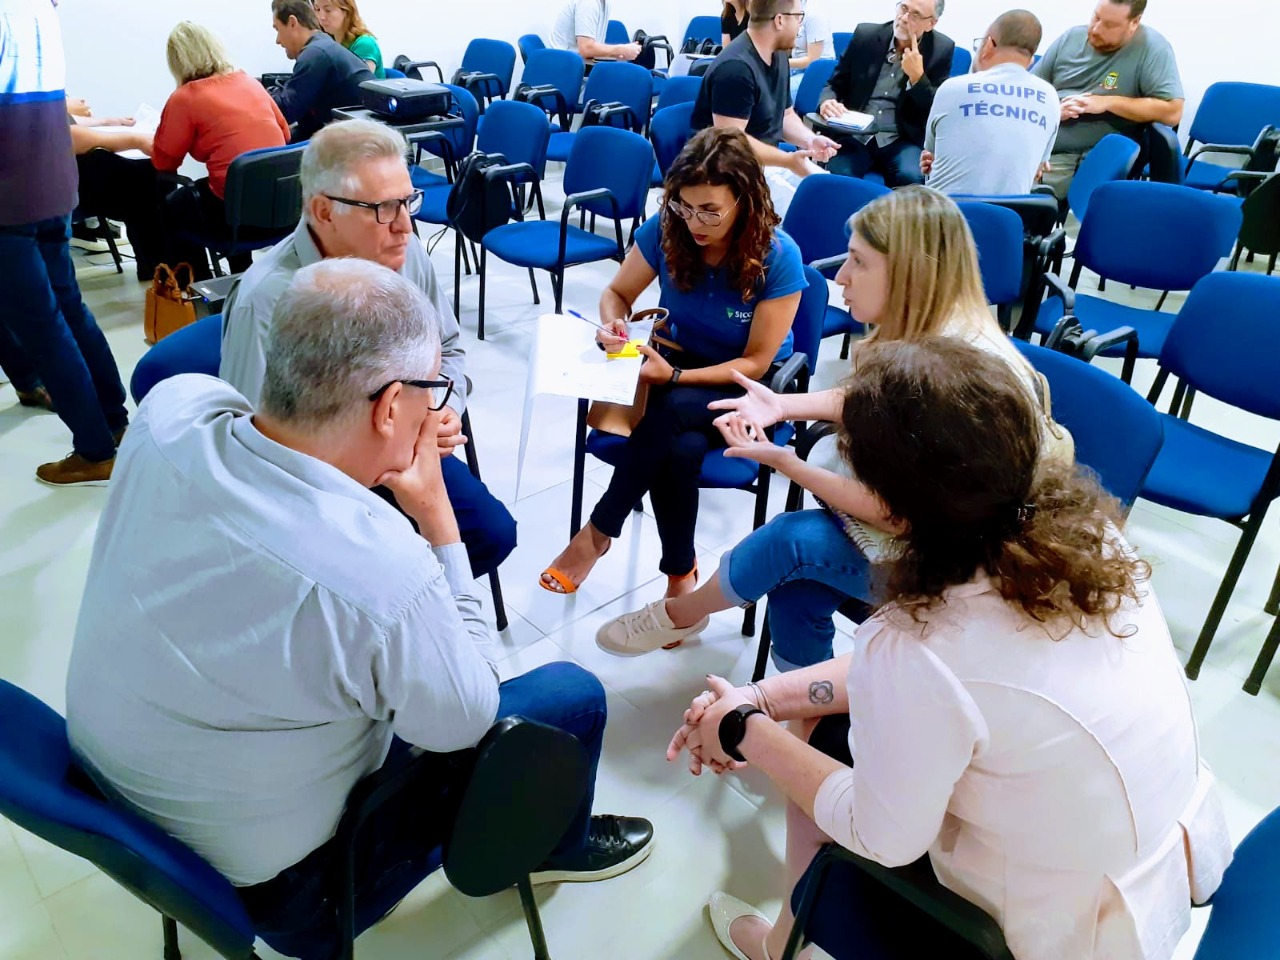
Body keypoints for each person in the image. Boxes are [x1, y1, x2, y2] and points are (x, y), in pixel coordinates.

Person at [66, 258, 654, 958]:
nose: (439, 412)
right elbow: (468, 716)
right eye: (432, 393)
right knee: (569, 694)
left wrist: (374, 450)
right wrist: (437, 521)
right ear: (388, 407)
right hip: (295, 895)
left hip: (120, 803)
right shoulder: (381, 571)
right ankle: (556, 844)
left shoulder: (172, 408)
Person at [667, 336, 1232, 960]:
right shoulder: (1090, 540)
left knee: (822, 744)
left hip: (1040, 935)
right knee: (821, 719)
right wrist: (762, 697)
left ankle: (785, 945)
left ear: (890, 510)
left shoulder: (919, 640)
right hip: (1150, 877)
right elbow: (947, 681)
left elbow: (882, 834)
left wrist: (743, 728)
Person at [595, 186, 1072, 663]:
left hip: (965, 573)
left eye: (858, 262)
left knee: (789, 543)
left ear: (910, 270)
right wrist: (784, 406)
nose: (840, 277)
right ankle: (800, 716)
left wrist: (787, 463)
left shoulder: (955, 370)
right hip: (943, 530)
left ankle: (682, 614)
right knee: (797, 591)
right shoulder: (940, 330)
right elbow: (872, 400)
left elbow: (894, 514)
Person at [220, 118, 516, 579]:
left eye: (407, 201)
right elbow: (249, 450)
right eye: (382, 208)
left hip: (403, 445)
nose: (404, 225)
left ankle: (417, 620)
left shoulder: (403, 251)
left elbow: (450, 349)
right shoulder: (269, 300)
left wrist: (443, 410)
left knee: (492, 534)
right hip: (319, 487)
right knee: (374, 581)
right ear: (323, 211)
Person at [539, 128, 806, 598]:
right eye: (684, 206)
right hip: (674, 370)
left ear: (744, 200)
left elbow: (759, 362)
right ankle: (681, 574)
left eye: (709, 210)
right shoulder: (668, 229)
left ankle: (598, 531)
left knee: (671, 409)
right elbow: (616, 293)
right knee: (678, 449)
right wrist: (615, 325)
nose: (694, 222)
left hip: (745, 387)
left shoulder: (778, 256)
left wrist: (677, 375)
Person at [0, 0, 129, 486]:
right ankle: (114, 423)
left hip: (9, 197)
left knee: (43, 329)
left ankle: (95, 450)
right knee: (69, 311)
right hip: (52, 185)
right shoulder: (40, 11)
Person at [152, 21, 292, 279]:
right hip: (281, 210)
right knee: (228, 185)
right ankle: (242, 273)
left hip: (234, 220)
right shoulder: (248, 82)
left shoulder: (185, 97)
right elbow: (285, 135)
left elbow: (163, 161)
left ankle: (195, 284)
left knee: (174, 205)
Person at [1032, 0, 1183, 199]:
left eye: (1109, 25)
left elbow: (1172, 112)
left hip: (1092, 156)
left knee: (1022, 199)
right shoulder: (1071, 38)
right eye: (1096, 17)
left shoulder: (1152, 49)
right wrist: (1054, 110)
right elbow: (1029, 91)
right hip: (1044, 143)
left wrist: (1107, 103)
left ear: (1134, 22)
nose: (1095, 29)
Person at [691, 0, 840, 180]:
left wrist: (809, 140)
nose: (799, 26)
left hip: (760, 165)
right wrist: (786, 160)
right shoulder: (736, 69)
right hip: (726, 173)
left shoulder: (778, 55)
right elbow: (730, 142)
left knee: (829, 188)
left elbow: (785, 115)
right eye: (798, 17)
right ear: (779, 20)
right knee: (816, 202)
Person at [920, 10, 1059, 195]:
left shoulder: (952, 88)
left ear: (987, 45)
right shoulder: (1050, 97)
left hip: (946, 217)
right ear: (1031, 60)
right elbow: (1036, 170)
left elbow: (931, 156)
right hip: (1006, 219)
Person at [817, 0, 955, 186]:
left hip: (900, 138)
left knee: (912, 180)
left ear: (931, 23)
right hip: (856, 135)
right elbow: (834, 84)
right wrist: (827, 101)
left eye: (915, 14)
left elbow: (933, 110)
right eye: (903, 8)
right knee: (839, 177)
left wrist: (917, 78)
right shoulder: (866, 36)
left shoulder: (940, 49)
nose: (904, 18)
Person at [269, 0, 373, 142]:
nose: (277, 40)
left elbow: (285, 112)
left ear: (293, 23)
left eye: (278, 30)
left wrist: (257, 94)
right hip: (359, 136)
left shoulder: (315, 54)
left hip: (361, 145)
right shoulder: (322, 45)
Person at [550, 0, 642, 61]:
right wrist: (621, 50)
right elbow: (586, 49)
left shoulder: (604, 4)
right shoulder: (589, 3)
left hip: (580, 64)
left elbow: (591, 50)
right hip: (563, 68)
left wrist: (621, 52)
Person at [314, 0, 385, 79]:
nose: (321, 17)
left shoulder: (365, 44)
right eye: (317, 9)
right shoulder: (327, 42)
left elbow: (356, 86)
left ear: (347, 12)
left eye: (328, 10)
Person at [787, 0, 834, 82]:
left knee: (778, 91)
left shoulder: (814, 15)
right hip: (796, 69)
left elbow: (812, 60)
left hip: (817, 73)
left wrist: (782, 63)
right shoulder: (789, 11)